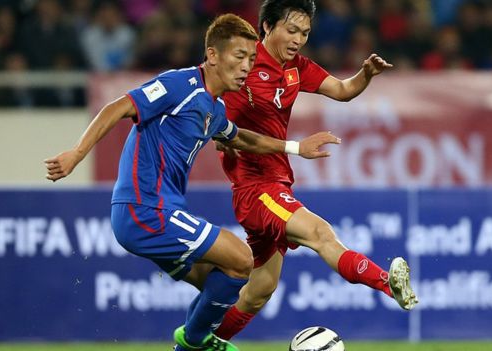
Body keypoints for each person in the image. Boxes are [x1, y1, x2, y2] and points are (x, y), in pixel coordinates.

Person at [44, 13, 340, 351]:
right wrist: (77, 153)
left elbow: (241, 138)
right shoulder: (180, 85)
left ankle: (194, 342)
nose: (247, 67)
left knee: (220, 279)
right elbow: (118, 106)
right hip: (144, 209)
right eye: (239, 57)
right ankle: (195, 343)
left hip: (161, 211)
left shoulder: (213, 109)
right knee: (242, 258)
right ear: (213, 55)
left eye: (252, 59)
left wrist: (296, 148)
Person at [213, 0, 419, 341]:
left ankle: (199, 344)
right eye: (291, 30)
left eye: (305, 33)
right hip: (255, 189)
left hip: (276, 184)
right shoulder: (243, 67)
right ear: (267, 26)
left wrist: (365, 74)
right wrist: (287, 146)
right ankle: (387, 283)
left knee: (259, 290)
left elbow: (342, 90)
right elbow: (224, 132)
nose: (298, 39)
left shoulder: (296, 67)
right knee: (320, 233)